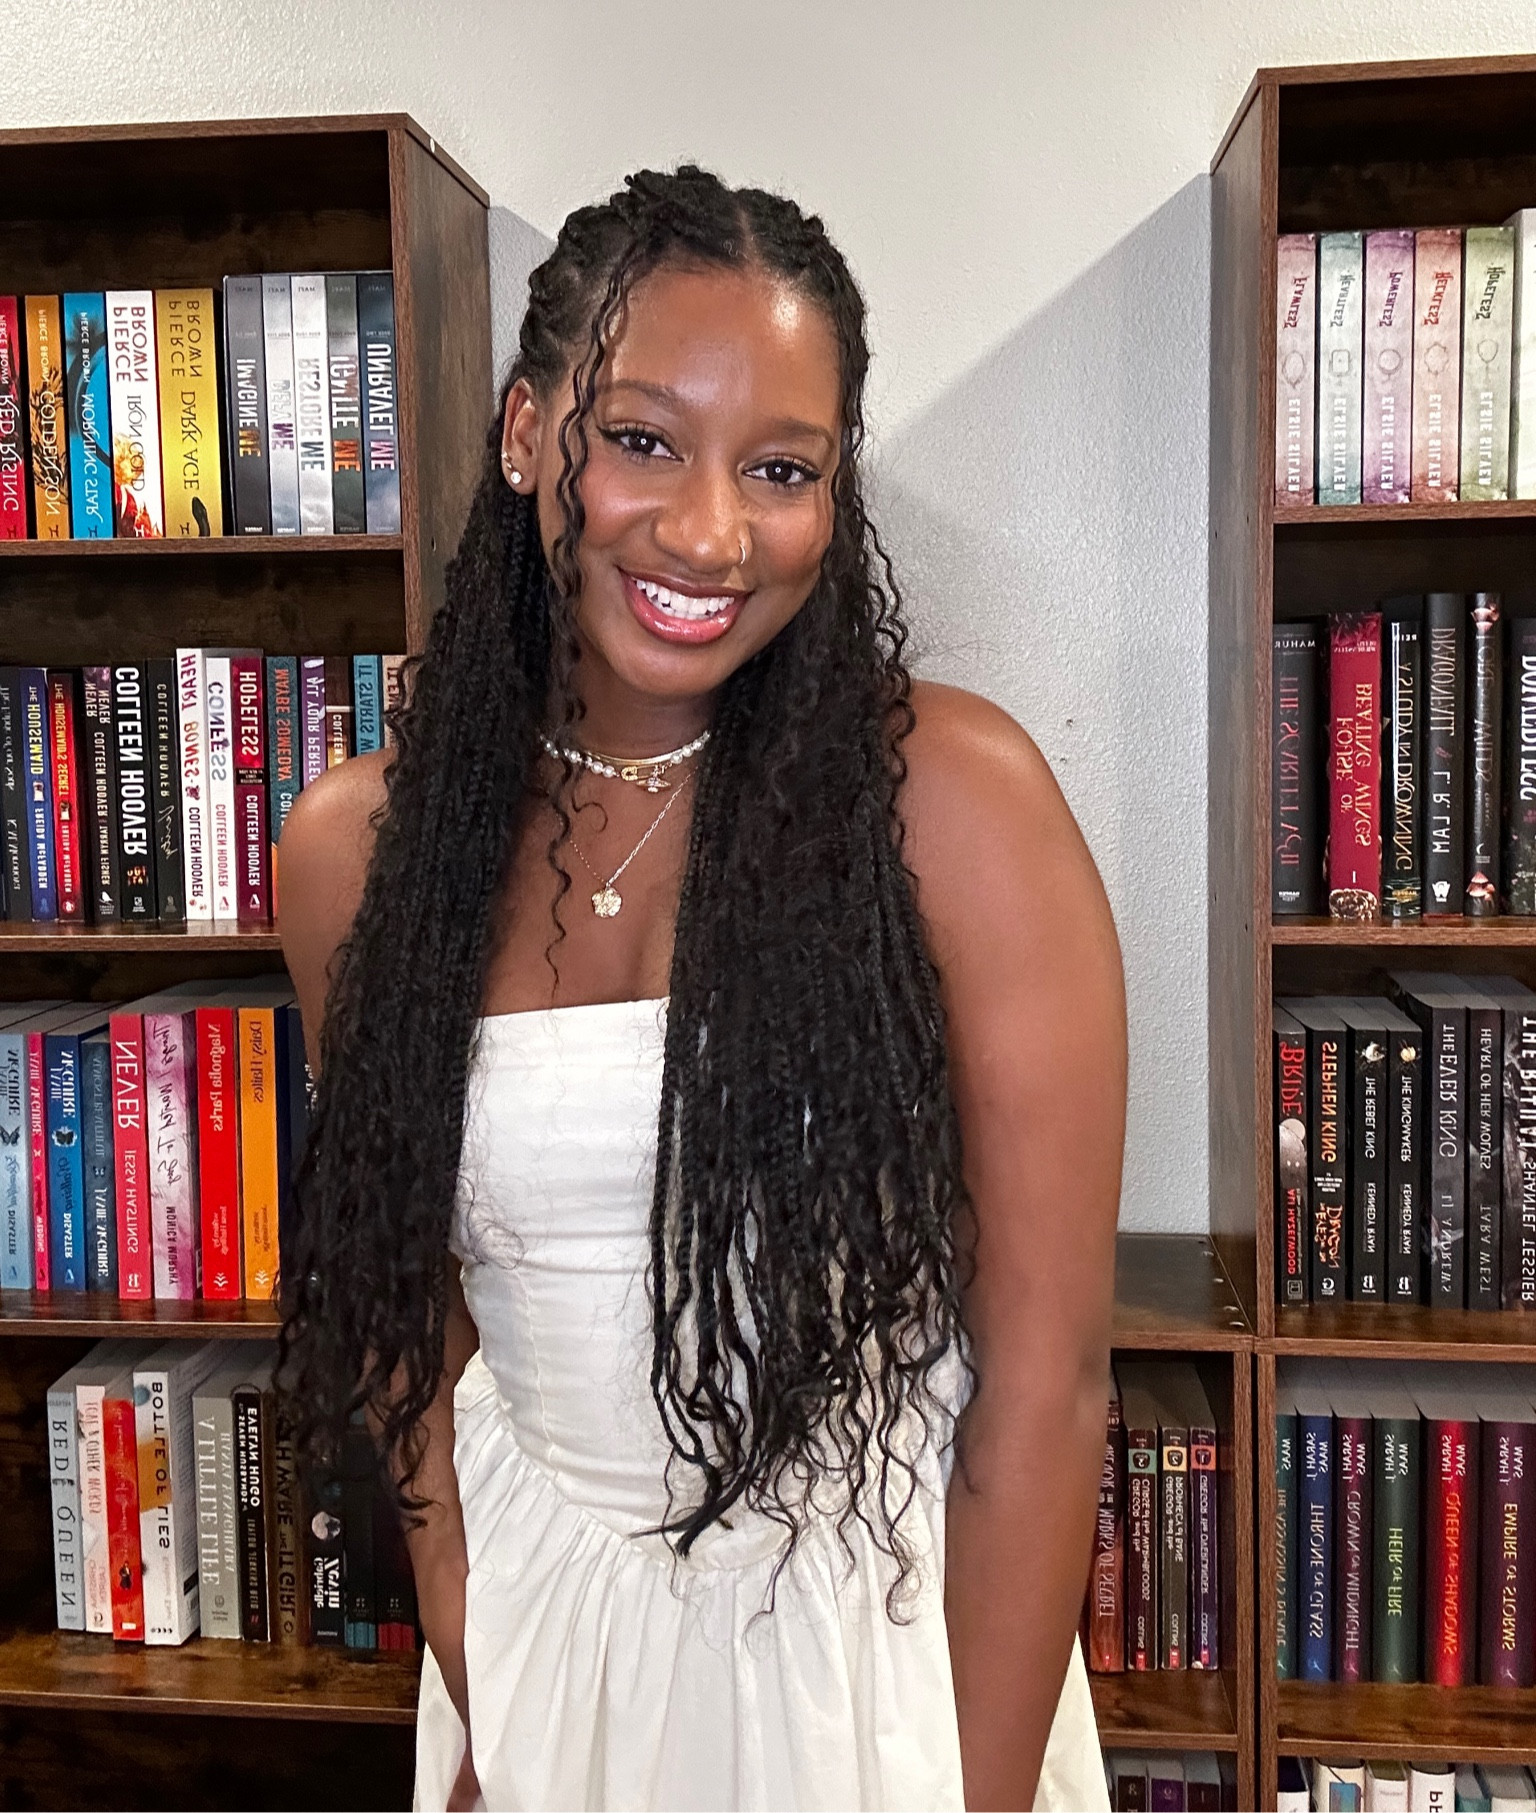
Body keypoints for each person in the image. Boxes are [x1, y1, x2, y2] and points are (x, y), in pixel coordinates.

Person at [277, 166, 1126, 1813]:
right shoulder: (355, 854)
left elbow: (1046, 1380)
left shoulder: (956, 803)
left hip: (864, 1663)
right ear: (530, 434)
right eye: (645, 438)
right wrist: (477, 1655)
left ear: (836, 496)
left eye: (782, 467)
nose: (713, 531)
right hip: (544, 1650)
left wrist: (977, 1796)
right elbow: (405, 1315)